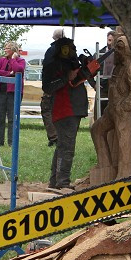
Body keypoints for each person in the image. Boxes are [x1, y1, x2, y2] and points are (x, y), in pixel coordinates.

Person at [42, 31, 88, 192]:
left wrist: (87, 67)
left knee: (63, 146)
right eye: (69, 48)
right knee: (66, 147)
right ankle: (62, 181)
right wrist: (66, 77)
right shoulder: (54, 65)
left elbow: (77, 78)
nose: (72, 51)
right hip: (64, 109)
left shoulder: (70, 63)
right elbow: (48, 86)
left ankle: (56, 180)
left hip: (72, 109)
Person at [0, 41, 26, 146]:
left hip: (14, 92)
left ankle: (12, 142)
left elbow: (18, 70)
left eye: (7, 48)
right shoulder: (1, 60)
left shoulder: (21, 61)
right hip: (0, 91)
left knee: (12, 118)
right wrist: (9, 74)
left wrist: (14, 60)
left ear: (13, 50)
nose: (5, 50)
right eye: (5, 48)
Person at [39, 28, 65, 147]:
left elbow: (47, 69)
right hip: (63, 85)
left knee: (47, 109)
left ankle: (54, 136)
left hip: (52, 85)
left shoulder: (51, 50)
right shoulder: (68, 50)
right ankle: (59, 135)